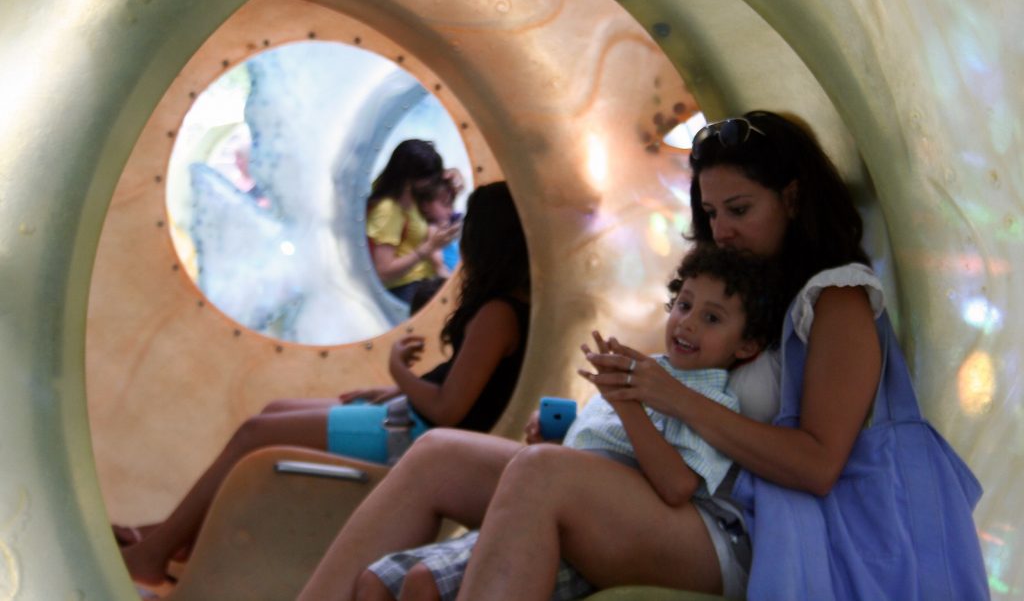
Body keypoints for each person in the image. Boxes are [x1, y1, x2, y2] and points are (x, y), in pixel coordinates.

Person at [297, 111, 986, 601]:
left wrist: (665, 394)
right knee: (440, 452)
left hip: (762, 531)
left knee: (542, 476)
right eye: (713, 213)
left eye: (740, 208)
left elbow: (817, 463)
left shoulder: (835, 299)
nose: (724, 229)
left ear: (794, 196)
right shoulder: (742, 290)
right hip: (674, 488)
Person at [117, 181, 530, 587]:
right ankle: (174, 535)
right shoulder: (507, 307)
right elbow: (468, 386)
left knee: (254, 434)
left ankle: (154, 555)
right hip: (411, 418)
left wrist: (398, 372)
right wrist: (399, 390)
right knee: (274, 412)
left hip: (415, 435)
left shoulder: (497, 314)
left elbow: (448, 410)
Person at [354, 243, 785, 601]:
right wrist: (566, 433)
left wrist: (628, 405)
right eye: (685, 305)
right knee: (389, 580)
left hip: (608, 520)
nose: (688, 323)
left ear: (747, 344)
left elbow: (677, 486)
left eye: (711, 318)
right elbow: (606, 448)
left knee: (424, 584)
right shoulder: (652, 369)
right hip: (567, 498)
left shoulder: (708, 397)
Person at [367, 139, 461, 303]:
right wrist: (428, 248)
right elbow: (383, 271)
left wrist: (454, 174)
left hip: (423, 282)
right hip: (406, 290)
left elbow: (444, 195)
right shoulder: (389, 209)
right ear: (411, 179)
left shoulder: (413, 196)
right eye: (430, 177)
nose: (434, 181)